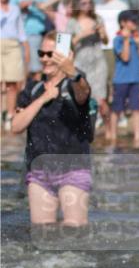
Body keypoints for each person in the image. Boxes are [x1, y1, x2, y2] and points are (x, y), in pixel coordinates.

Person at [11, 32, 92, 226]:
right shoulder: (33, 89)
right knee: (42, 233)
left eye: (51, 54)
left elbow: (84, 93)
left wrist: (72, 72)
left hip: (72, 169)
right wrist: (43, 99)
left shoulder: (75, 83)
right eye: (42, 53)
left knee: (74, 229)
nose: (45, 59)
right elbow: (16, 126)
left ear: (66, 55)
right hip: (39, 173)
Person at [65, 0, 107, 125]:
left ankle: (100, 119)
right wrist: (83, 35)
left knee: (99, 92)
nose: (87, 6)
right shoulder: (71, 22)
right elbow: (66, 45)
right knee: (83, 90)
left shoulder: (98, 19)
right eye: (83, 3)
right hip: (80, 61)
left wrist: (102, 33)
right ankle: (84, 119)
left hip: (98, 60)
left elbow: (106, 41)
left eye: (89, 2)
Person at [11, 0, 54, 81]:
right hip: (18, 34)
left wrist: (36, 4)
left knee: (35, 68)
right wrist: (21, 6)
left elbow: (49, 9)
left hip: (35, 33)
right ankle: (22, 96)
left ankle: (35, 92)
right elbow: (10, 9)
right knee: (19, 69)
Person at [109, 10, 139, 147]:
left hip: (135, 79)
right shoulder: (118, 39)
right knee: (117, 109)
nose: (135, 23)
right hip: (121, 80)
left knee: (136, 109)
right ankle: (113, 136)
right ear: (123, 23)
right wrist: (126, 40)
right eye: (132, 21)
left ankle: (137, 137)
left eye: (136, 21)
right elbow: (125, 57)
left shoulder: (136, 38)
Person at [1, 0, 28, 130]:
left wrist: (27, 50)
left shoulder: (15, 9)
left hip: (13, 45)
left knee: (12, 84)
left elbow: (21, 32)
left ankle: (10, 115)